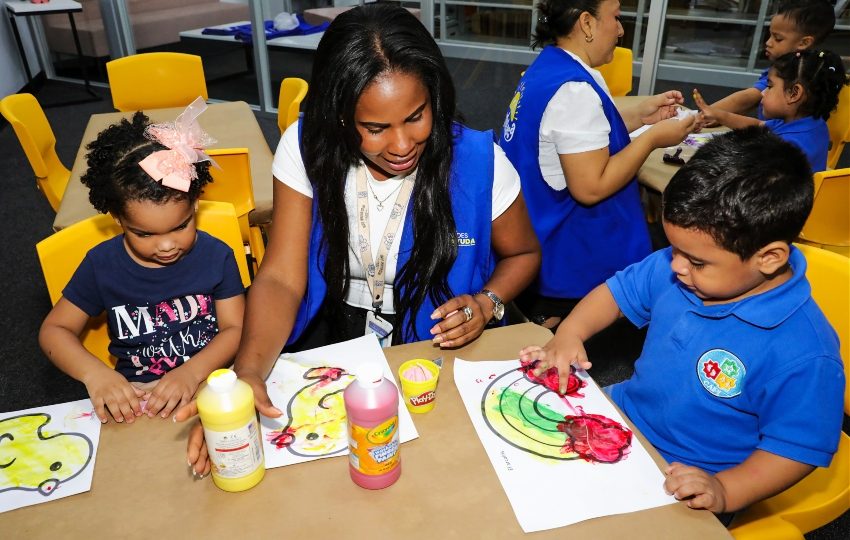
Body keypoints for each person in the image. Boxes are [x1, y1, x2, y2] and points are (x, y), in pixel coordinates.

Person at [180, 3, 540, 477]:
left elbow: (525, 253)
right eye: (374, 129)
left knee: (438, 473)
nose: (401, 145)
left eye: (416, 117)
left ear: (434, 95)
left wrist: (489, 301)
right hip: (334, 328)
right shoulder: (305, 144)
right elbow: (283, 279)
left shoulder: (478, 160)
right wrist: (248, 373)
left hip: (436, 342)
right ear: (340, 116)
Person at [519, 127, 844, 519]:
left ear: (770, 257)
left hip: (690, 479)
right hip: (622, 421)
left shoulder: (806, 352)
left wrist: (725, 489)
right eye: (674, 250)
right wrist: (570, 332)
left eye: (696, 261)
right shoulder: (681, 267)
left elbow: (794, 448)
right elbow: (614, 294)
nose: (674, 266)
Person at [38, 101, 246, 424]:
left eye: (181, 226)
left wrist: (191, 373)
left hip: (210, 384)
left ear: (195, 204)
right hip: (136, 401)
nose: (166, 245)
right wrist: (96, 375)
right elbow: (54, 331)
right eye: (145, 234)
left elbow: (235, 328)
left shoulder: (217, 256)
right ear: (118, 218)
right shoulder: (101, 265)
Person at [500, 0, 695, 329]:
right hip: (570, 261)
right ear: (587, 23)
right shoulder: (575, 90)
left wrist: (643, 115)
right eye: (616, 17)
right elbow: (591, 187)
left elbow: (577, 132)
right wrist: (652, 138)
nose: (620, 30)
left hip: (535, 232)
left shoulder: (551, 67)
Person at [694, 49, 847, 172]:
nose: (764, 92)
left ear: (794, 94)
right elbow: (758, 125)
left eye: (770, 86)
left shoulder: (787, 148)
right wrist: (720, 115)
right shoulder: (810, 123)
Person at [705, 0, 835, 121]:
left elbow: (748, 99)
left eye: (777, 38)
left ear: (804, 42)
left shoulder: (788, 74)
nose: (768, 43)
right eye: (770, 35)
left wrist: (703, 114)